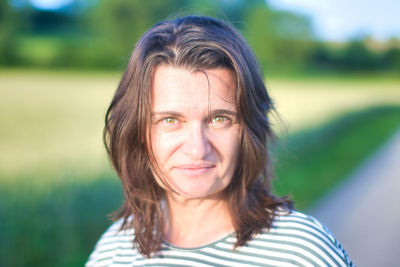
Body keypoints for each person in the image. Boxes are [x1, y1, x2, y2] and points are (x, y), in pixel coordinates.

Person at [86, 15, 353, 266]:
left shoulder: (302, 252)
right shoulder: (115, 249)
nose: (197, 148)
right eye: (170, 120)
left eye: (219, 119)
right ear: (138, 133)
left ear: (248, 130)